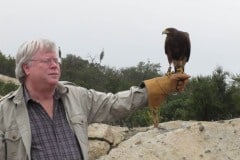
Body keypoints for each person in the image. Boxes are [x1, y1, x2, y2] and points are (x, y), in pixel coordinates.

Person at [0, 38, 190, 160]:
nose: (54, 65)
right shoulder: (4, 112)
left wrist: (157, 88)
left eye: (56, 60)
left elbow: (114, 104)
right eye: (47, 61)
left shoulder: (76, 97)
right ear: (26, 68)